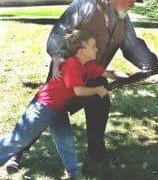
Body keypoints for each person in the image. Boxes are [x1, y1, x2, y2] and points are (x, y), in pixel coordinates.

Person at [5, 0, 158, 171]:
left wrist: (152, 64)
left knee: (100, 103)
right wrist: (58, 57)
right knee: (45, 111)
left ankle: (96, 153)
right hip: (65, 71)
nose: (133, 5)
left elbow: (133, 46)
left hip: (93, 72)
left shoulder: (124, 20)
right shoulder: (87, 5)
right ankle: (16, 153)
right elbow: (60, 31)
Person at [0, 30, 128, 179]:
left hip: (59, 109)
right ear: (81, 51)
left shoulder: (88, 65)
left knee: (66, 141)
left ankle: (74, 174)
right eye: (93, 46)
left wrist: (129, 77)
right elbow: (78, 91)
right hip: (43, 107)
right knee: (18, 139)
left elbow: (108, 73)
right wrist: (98, 90)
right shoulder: (72, 64)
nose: (97, 49)